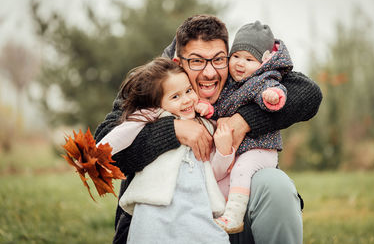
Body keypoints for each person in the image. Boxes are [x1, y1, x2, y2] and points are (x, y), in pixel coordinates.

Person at [95, 14, 322, 244]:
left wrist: (244, 120)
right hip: (163, 227)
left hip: (229, 219)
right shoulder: (153, 86)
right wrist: (173, 130)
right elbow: (106, 141)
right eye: (196, 61)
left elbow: (309, 92)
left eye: (218, 59)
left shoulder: (237, 78)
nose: (210, 73)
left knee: (276, 185)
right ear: (178, 64)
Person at [97, 57, 235, 243]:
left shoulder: (204, 125)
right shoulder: (152, 117)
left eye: (188, 91)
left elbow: (214, 170)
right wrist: (97, 152)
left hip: (197, 212)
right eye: (175, 97)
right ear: (157, 103)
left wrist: (225, 150)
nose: (186, 100)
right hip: (154, 211)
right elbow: (119, 135)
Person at [211, 21, 293, 233]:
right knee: (223, 179)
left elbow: (276, 91)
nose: (240, 63)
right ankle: (218, 216)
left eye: (249, 59)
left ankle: (235, 216)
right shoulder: (228, 82)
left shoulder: (264, 78)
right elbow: (218, 107)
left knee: (241, 170)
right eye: (236, 56)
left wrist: (272, 97)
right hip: (241, 149)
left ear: (264, 62)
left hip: (261, 148)